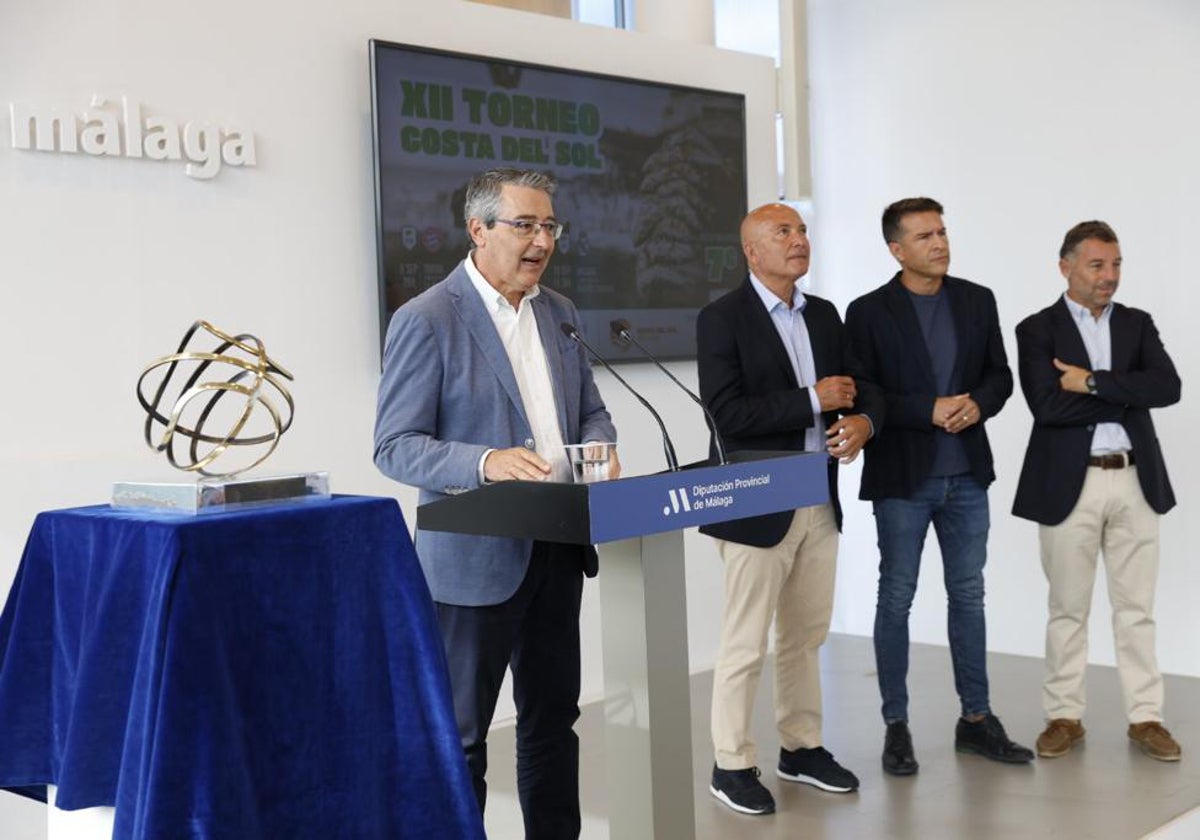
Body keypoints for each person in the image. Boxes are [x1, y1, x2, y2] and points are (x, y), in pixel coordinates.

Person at [373, 167, 619, 839]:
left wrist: (597, 447)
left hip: (557, 549)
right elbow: (395, 446)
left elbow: (592, 414)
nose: (542, 240)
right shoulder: (427, 318)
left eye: (550, 226)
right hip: (472, 561)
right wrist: (485, 462)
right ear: (478, 230)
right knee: (462, 740)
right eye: (525, 225)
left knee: (551, 724)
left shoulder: (560, 312)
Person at [696, 203, 883, 816]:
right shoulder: (721, 318)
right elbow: (728, 414)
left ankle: (801, 748)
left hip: (818, 494)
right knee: (744, 641)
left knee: (805, 635)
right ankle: (731, 763)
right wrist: (812, 399)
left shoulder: (824, 314)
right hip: (756, 499)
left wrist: (859, 421)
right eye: (784, 232)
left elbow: (857, 387)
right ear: (752, 251)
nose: (800, 240)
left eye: (802, 231)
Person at [844, 197, 1033, 776]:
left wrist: (977, 404)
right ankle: (895, 726)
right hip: (903, 477)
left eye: (942, 232)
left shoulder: (977, 300)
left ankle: (976, 720)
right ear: (896, 249)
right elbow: (864, 392)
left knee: (969, 596)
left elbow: (1000, 375)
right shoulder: (868, 311)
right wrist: (926, 409)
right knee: (896, 597)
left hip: (967, 477)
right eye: (925, 236)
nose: (940, 243)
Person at [1012, 221, 1182, 762]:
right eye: (1097, 265)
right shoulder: (1037, 330)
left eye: (1115, 265)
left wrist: (1089, 380)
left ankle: (1146, 718)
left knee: (1137, 609)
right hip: (1069, 483)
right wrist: (1127, 394)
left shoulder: (1136, 323)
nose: (1109, 276)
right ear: (1065, 266)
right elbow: (1046, 407)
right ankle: (1064, 716)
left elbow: (1168, 387)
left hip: (1136, 479)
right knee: (1068, 607)